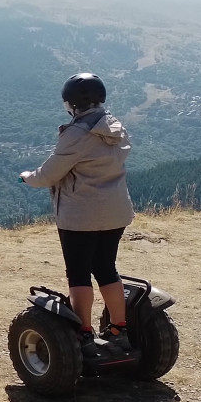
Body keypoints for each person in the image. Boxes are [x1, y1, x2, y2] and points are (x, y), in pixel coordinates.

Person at [20, 72, 135, 354]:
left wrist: (27, 176)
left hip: (80, 216)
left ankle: (84, 333)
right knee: (107, 268)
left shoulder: (76, 134)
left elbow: (49, 174)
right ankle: (120, 329)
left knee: (79, 274)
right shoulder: (115, 128)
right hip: (116, 212)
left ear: (72, 103)